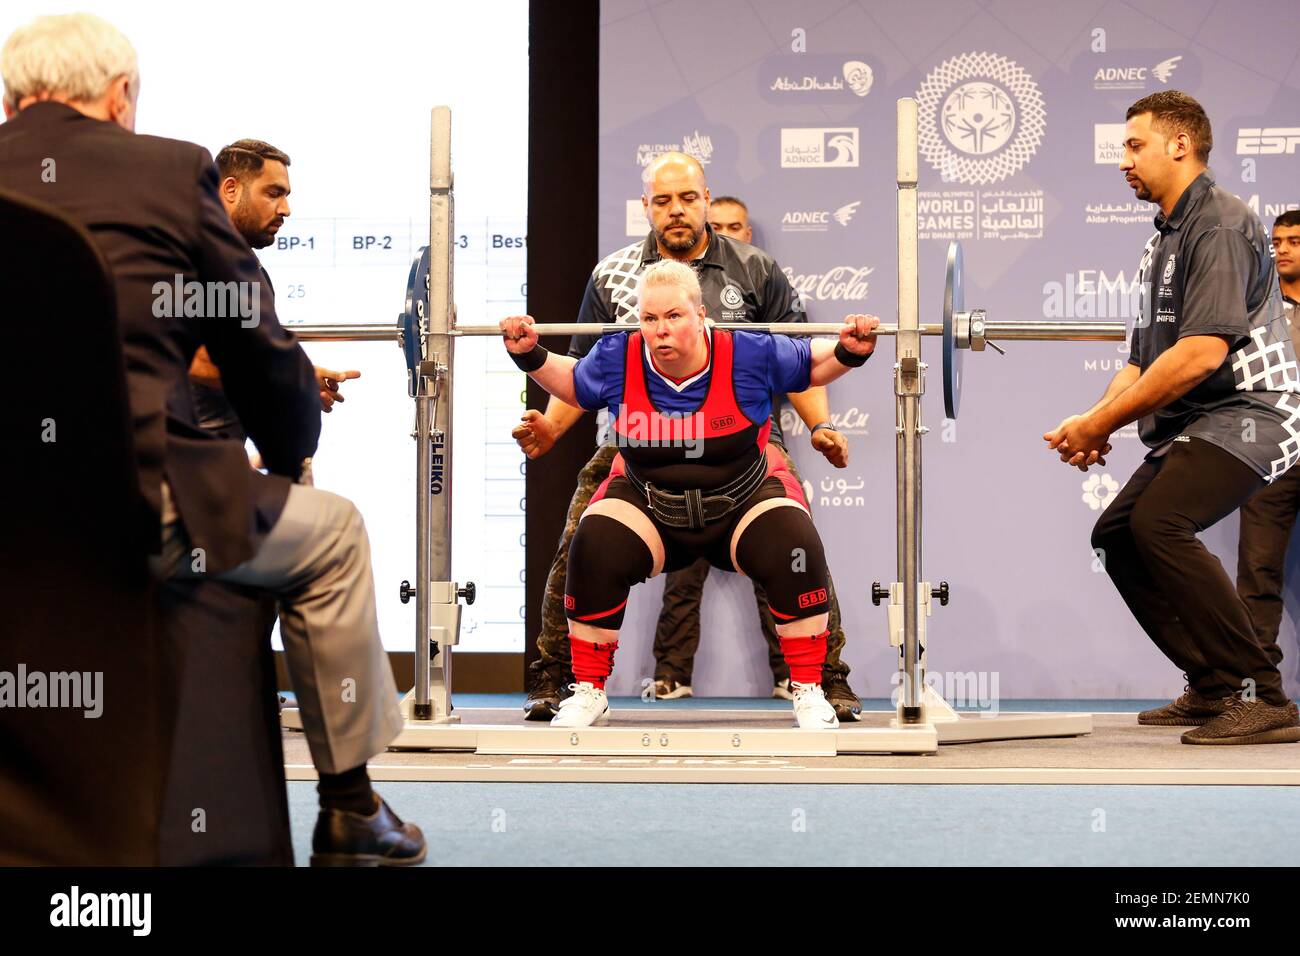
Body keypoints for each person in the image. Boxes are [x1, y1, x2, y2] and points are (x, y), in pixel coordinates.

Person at [0, 13, 425, 862]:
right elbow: (259, 353)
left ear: (13, 97)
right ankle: (349, 807)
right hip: (135, 507)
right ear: (120, 98)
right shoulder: (166, 171)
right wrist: (289, 444)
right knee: (333, 532)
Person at [518, 153, 862, 720]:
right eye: (662, 201)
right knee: (581, 543)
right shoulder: (614, 274)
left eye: (686, 199)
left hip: (743, 440)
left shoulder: (756, 269)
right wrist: (551, 427)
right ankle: (558, 681)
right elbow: (582, 370)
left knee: (796, 546)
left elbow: (798, 359)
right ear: (647, 207)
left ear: (705, 199)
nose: (675, 211)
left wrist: (821, 425)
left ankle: (824, 682)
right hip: (640, 440)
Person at [1045, 90, 1300, 745]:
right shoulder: (1160, 242)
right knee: (1119, 534)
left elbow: (1199, 355)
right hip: (1196, 424)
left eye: (1135, 145)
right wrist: (1094, 420)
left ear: (1179, 145)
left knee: (1160, 522)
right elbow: (1141, 361)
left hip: (1252, 414)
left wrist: (1100, 425)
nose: (1122, 159)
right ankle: (1215, 687)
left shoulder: (1219, 220)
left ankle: (1258, 693)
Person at [189, 139, 360, 441]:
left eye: (286, 195)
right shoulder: (194, 255)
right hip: (183, 459)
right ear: (230, 189)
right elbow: (192, 359)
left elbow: (246, 366)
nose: (286, 209)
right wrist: (291, 380)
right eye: (273, 193)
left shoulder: (250, 271)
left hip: (222, 454)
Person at [1235, 211, 1300, 680]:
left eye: (1294, 241)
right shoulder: (1252, 308)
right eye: (1277, 241)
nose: (1282, 249)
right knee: (1257, 571)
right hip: (1273, 449)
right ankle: (1256, 686)